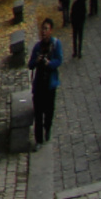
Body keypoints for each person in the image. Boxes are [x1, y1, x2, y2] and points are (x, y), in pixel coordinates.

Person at [30, 16, 64, 145]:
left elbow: (59, 60)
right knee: (38, 113)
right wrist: (36, 61)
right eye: (42, 29)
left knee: (48, 111)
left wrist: (49, 63)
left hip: (50, 85)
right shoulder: (37, 47)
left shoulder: (56, 45)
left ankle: (47, 128)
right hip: (39, 85)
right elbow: (30, 64)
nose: (43, 32)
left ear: (50, 31)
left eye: (46, 29)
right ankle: (38, 140)